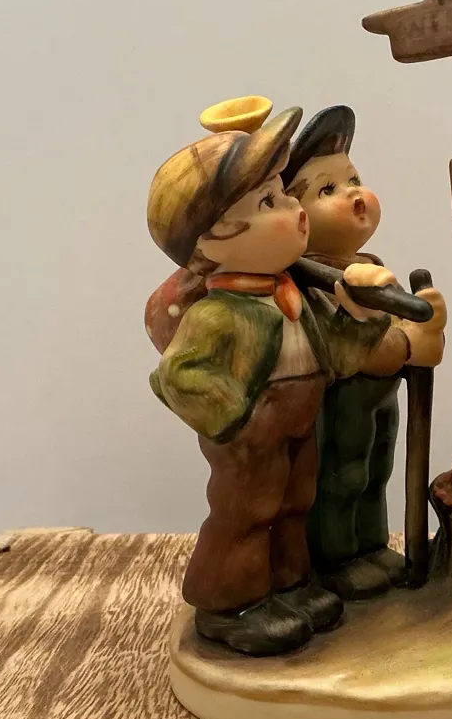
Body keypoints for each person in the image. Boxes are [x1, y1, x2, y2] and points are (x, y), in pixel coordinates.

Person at [146, 101, 436, 655]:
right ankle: (229, 604)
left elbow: (337, 357)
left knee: (294, 508)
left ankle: (289, 587)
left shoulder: (288, 298)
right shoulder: (220, 313)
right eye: (268, 203)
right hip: (254, 442)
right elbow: (178, 376)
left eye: (282, 195)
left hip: (296, 432)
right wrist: (242, 420)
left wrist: (358, 315)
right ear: (211, 238)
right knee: (247, 516)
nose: (293, 211)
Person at [282, 105, 447, 599]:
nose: (354, 193)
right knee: (342, 476)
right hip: (342, 404)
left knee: (377, 471)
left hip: (380, 398)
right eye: (327, 190)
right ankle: (337, 557)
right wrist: (408, 342)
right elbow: (347, 349)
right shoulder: (310, 281)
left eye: (353, 179)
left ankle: (370, 545)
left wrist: (426, 325)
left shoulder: (369, 265)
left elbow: (404, 334)